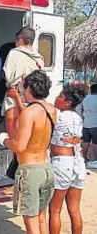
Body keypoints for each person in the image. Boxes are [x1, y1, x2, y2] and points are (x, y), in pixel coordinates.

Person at [0, 70, 56, 234]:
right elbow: (32, 117)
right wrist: (17, 98)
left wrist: (4, 139)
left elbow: (19, 147)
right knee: (41, 217)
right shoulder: (51, 110)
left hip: (29, 172)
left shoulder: (29, 113)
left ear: (29, 89)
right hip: (46, 168)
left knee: (31, 224)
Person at [49, 85, 87, 234]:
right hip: (78, 163)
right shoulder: (78, 117)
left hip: (62, 162)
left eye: (60, 97)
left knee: (55, 210)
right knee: (74, 209)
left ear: (67, 103)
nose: (56, 99)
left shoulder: (57, 116)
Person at [2, 27, 44, 139]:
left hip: (15, 92)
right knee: (27, 123)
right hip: (32, 95)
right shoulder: (39, 57)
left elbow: (9, 75)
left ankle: (14, 145)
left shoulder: (14, 53)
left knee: (12, 122)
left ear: (20, 39)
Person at [76, 83, 97, 162]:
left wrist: (82, 117)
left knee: (85, 141)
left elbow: (79, 109)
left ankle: (84, 157)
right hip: (95, 124)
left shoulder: (85, 98)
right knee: (95, 142)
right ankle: (95, 159)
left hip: (86, 123)